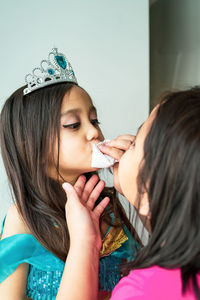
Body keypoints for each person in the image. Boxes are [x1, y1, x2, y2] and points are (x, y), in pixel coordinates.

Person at [0, 48, 141, 300]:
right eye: (73, 125)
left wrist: (140, 182)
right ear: (33, 146)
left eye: (94, 120)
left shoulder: (107, 204)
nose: (94, 132)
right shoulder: (23, 217)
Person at [63, 87, 200, 299]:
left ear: (148, 192)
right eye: (73, 125)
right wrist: (138, 189)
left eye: (135, 144)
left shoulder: (139, 292)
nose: (94, 132)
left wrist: (84, 242)